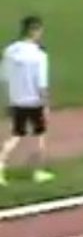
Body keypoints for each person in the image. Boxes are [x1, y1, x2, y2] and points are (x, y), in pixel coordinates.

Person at [1, 16, 54, 186]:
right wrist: (46, 105)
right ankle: (38, 172)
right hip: (34, 101)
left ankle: (1, 166)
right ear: (34, 31)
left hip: (16, 99)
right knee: (40, 136)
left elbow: (4, 76)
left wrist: (8, 99)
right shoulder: (39, 55)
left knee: (16, 135)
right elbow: (42, 84)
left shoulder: (10, 51)